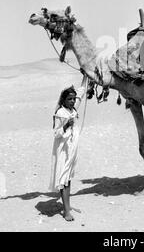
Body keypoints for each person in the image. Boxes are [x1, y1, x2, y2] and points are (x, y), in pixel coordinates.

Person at [49, 75, 88, 221]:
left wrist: (86, 76)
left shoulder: (73, 109)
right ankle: (66, 212)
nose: (72, 101)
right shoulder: (60, 113)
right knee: (63, 179)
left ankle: (67, 206)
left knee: (68, 179)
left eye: (73, 99)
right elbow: (56, 134)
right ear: (63, 100)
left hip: (72, 149)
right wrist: (66, 125)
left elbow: (81, 93)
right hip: (63, 150)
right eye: (69, 99)